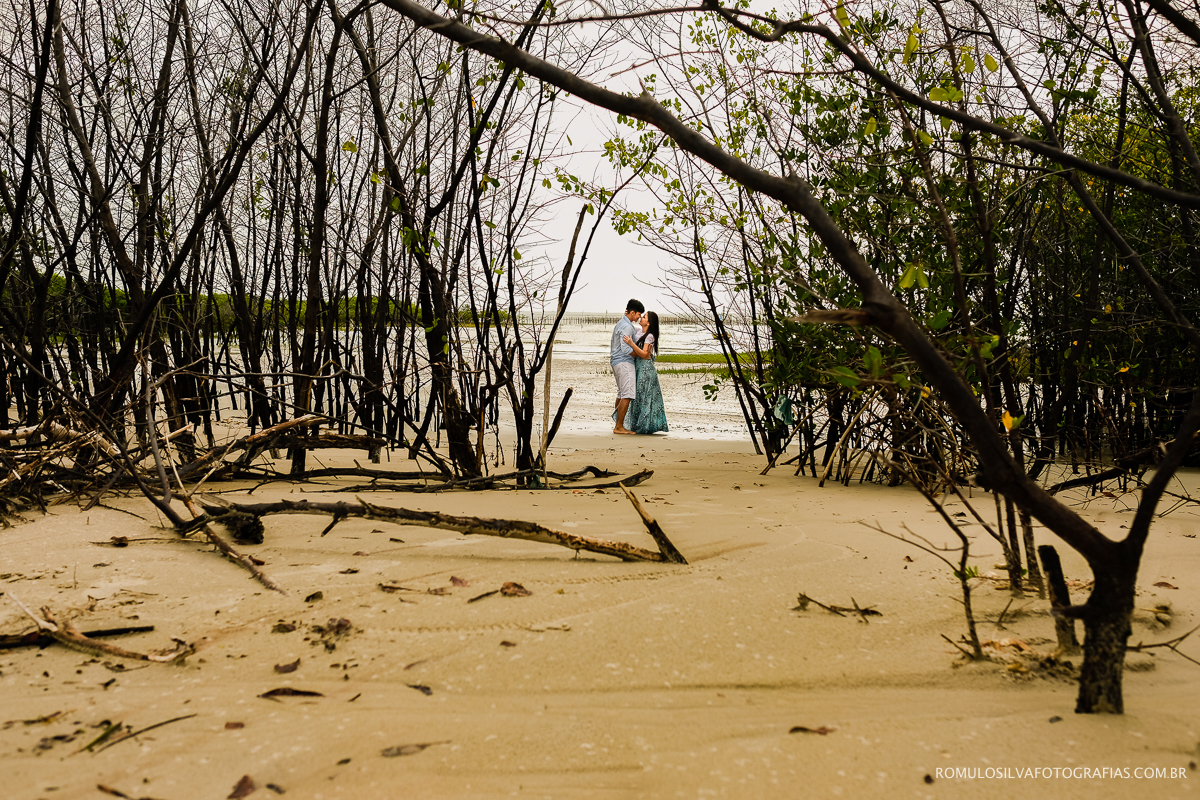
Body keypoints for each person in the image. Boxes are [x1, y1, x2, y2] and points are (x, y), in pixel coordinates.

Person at [617, 310, 668, 434]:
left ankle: (642, 425)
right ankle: (630, 423)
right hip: (639, 368)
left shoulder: (650, 336)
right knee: (638, 396)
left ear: (649, 323)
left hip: (645, 369)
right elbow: (629, 327)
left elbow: (645, 355)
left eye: (644, 317)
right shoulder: (640, 332)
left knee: (644, 397)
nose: (641, 318)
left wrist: (631, 344)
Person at [610, 299, 643, 434]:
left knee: (621, 393)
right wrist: (640, 354)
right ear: (632, 312)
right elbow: (625, 348)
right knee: (627, 394)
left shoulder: (621, 323)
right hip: (624, 361)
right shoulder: (627, 326)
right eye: (638, 314)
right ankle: (619, 426)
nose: (639, 317)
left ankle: (618, 423)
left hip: (616, 361)